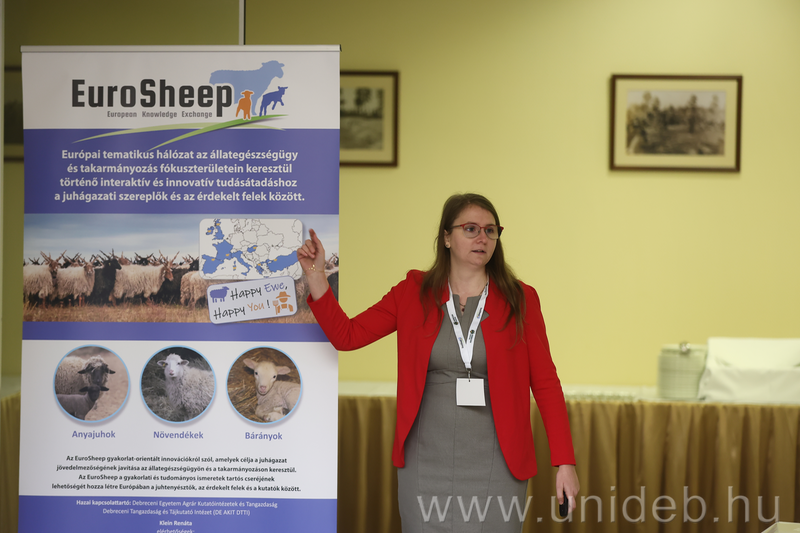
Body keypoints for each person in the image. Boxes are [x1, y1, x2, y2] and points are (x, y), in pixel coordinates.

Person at [298, 193, 579, 532]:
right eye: (471, 229)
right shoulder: (412, 291)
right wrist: (316, 275)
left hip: (497, 462)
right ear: (447, 237)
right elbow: (348, 336)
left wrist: (565, 462)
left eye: (490, 230)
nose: (482, 238)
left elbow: (546, 383)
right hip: (425, 460)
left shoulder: (520, 298)